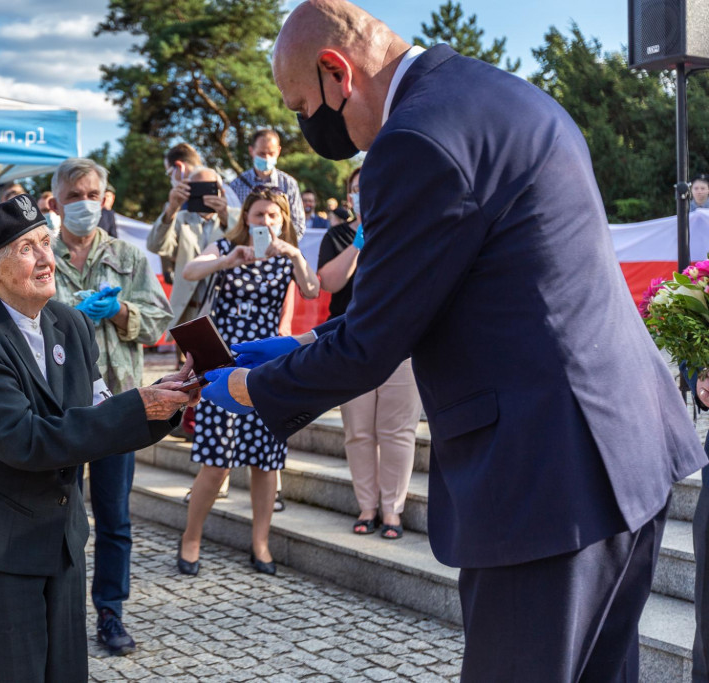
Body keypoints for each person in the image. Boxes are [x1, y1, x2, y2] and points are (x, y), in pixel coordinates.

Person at [199, 2, 707, 680]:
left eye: (300, 105)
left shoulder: (414, 140)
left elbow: (373, 344)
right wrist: (305, 346)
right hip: (621, 453)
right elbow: (441, 288)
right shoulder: (504, 93)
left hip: (547, 480)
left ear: (335, 71)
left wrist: (249, 387)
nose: (303, 126)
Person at [0, 193, 197, 683]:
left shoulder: (69, 324)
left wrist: (162, 400)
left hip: (58, 545)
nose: (48, 259)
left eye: (46, 242)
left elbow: (95, 410)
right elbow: (24, 439)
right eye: (27, 249)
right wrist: (138, 407)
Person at [49, 158, 173, 655]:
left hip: (119, 404)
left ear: (108, 199)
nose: (85, 203)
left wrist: (121, 310)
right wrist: (64, 316)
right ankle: (56, 609)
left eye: (93, 193)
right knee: (55, 515)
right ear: (55, 202)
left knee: (114, 518)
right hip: (58, 405)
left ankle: (110, 612)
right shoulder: (38, 254)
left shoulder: (128, 255)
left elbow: (159, 321)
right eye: (74, 195)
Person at [178, 186, 319, 577]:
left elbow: (312, 289)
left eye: (274, 216)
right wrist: (226, 260)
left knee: (265, 461)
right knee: (216, 460)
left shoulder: (287, 256)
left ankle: (260, 542)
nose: (266, 223)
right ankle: (191, 537)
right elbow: (190, 271)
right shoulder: (225, 246)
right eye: (259, 215)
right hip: (224, 363)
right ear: (246, 219)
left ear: (284, 220)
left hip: (268, 366)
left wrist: (293, 253)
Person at [318, 167, 421, 538]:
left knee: (398, 431)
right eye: (357, 190)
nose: (365, 194)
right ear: (350, 199)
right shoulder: (339, 235)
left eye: (371, 186)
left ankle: (393, 511)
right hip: (350, 344)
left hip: (401, 346)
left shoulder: (407, 230)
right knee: (359, 431)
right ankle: (367, 507)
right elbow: (328, 283)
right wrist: (358, 242)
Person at [147, 166, 231, 329]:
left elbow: (242, 248)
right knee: (192, 355)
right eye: (197, 189)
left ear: (220, 190)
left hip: (226, 309)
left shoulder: (235, 217)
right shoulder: (179, 219)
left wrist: (225, 216)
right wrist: (172, 208)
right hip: (189, 310)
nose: (203, 194)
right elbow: (155, 246)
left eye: (209, 188)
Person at [229, 129, 307, 238]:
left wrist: (280, 245)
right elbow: (231, 223)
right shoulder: (236, 185)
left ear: (278, 151)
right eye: (262, 153)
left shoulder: (289, 184)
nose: (266, 158)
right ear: (251, 151)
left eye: (271, 153)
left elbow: (298, 224)